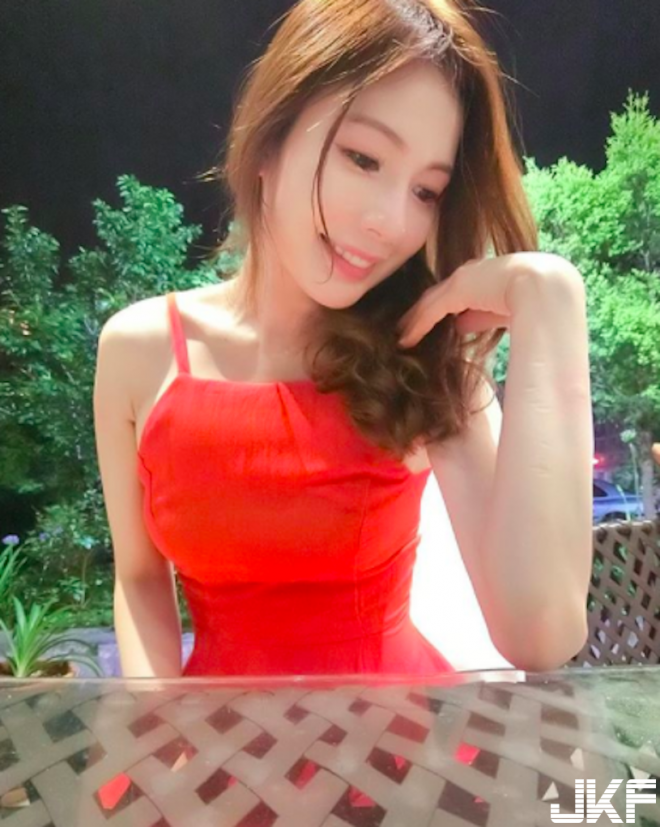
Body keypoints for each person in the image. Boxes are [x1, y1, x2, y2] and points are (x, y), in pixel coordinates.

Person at [93, 0, 594, 678]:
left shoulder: (422, 357)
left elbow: (541, 636)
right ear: (269, 141)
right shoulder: (138, 350)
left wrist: (550, 300)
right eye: (363, 158)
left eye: (426, 192)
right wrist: (156, 727)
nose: (390, 222)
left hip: (398, 738)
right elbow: (139, 579)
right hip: (211, 738)